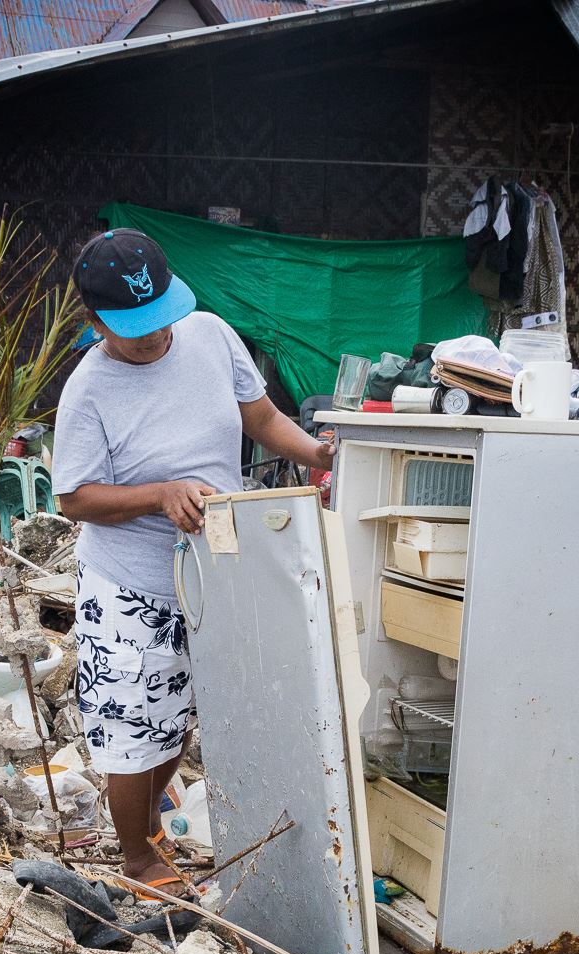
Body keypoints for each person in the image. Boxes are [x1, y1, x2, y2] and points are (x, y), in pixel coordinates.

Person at [53, 228, 335, 895]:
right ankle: (138, 858)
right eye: (136, 329)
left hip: (219, 576)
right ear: (94, 322)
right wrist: (161, 493)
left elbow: (261, 416)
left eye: (162, 320)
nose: (157, 337)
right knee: (137, 731)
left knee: (181, 718)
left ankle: (151, 823)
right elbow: (74, 497)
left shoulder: (209, 335)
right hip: (131, 585)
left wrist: (315, 452)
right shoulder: (88, 391)